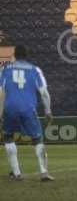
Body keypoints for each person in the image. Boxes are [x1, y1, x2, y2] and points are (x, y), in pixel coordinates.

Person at [0, 45, 54, 181]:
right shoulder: (35, 70)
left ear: (15, 55)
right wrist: (48, 111)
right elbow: (44, 93)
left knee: (8, 137)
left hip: (10, 107)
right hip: (28, 108)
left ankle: (17, 173)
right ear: (27, 55)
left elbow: (1, 92)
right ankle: (43, 172)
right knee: (37, 139)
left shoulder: (5, 70)